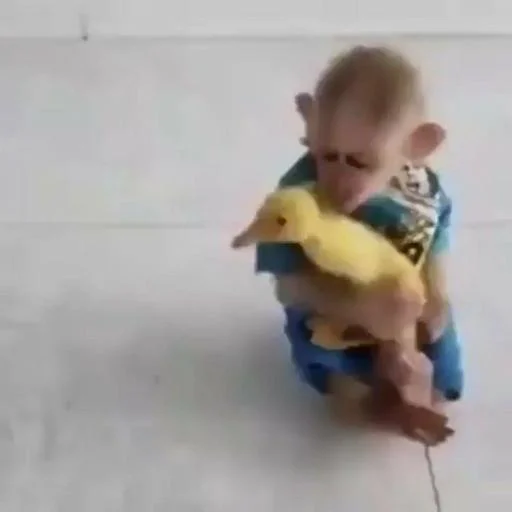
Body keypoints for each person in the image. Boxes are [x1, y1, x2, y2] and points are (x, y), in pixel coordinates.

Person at [255, 46, 463, 431]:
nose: (339, 177)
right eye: (327, 156)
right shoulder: (298, 200)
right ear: (313, 131)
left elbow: (436, 234)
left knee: (441, 355)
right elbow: (287, 286)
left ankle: (420, 391)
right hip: (333, 310)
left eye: (360, 162)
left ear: (416, 147)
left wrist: (435, 292)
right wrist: (356, 307)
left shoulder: (419, 192)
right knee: (337, 377)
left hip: (406, 301)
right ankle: (368, 399)